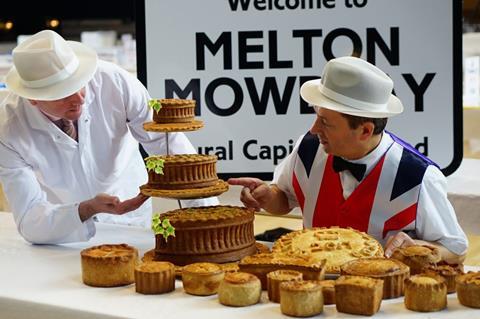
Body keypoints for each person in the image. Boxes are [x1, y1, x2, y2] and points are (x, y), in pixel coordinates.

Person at [229, 56, 468, 264]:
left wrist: (421, 248)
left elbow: (456, 252)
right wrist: (267, 196)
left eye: (325, 122)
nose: (313, 129)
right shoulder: (307, 150)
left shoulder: (419, 178)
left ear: (365, 130)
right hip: (309, 293)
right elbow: (283, 199)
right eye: (316, 116)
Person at [0, 30, 217, 245]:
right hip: (64, 233)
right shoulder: (8, 129)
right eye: (64, 93)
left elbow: (168, 146)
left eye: (79, 84)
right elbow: (29, 217)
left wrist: (208, 220)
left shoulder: (116, 82)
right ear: (33, 99)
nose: (79, 99)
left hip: (132, 221)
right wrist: (86, 209)